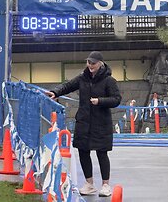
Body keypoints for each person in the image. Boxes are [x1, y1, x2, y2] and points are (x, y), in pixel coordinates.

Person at [46, 51, 122, 197]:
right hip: (84, 122)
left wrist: (100, 101)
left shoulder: (109, 81)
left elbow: (116, 99)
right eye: (88, 62)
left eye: (93, 63)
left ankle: (105, 184)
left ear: (100, 63)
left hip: (101, 123)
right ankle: (89, 183)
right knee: (83, 151)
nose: (90, 65)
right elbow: (68, 85)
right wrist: (55, 92)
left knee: (102, 153)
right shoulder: (83, 77)